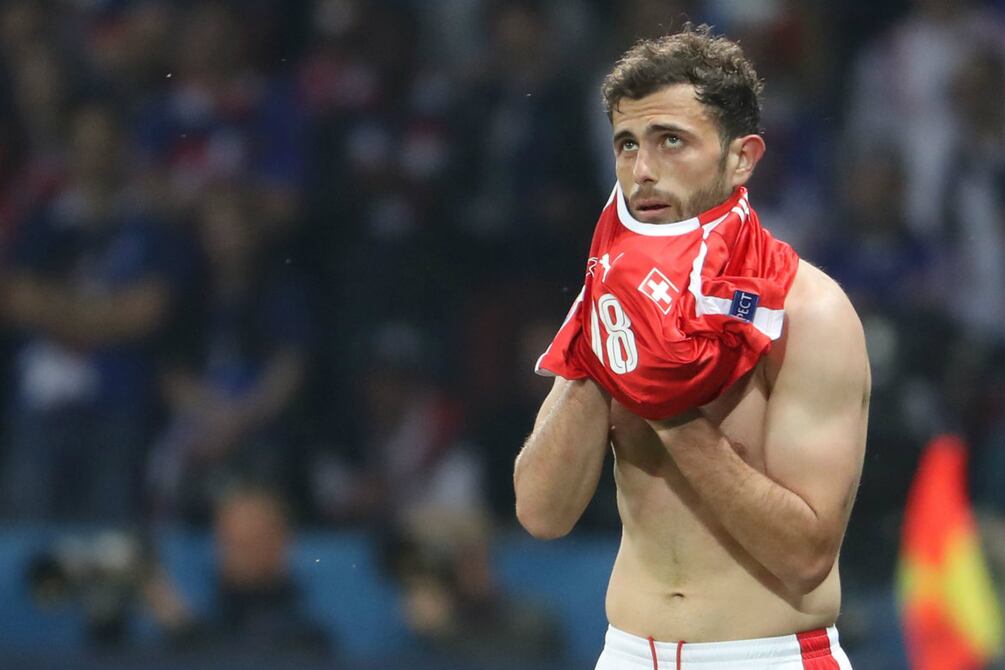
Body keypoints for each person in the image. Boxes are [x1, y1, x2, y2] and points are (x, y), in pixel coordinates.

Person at [514, 26, 868, 669]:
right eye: (627, 143)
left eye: (670, 140)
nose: (642, 170)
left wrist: (666, 401)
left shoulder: (807, 312)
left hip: (765, 655)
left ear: (742, 158)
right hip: (627, 651)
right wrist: (602, 346)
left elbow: (806, 557)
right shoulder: (608, 296)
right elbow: (542, 513)